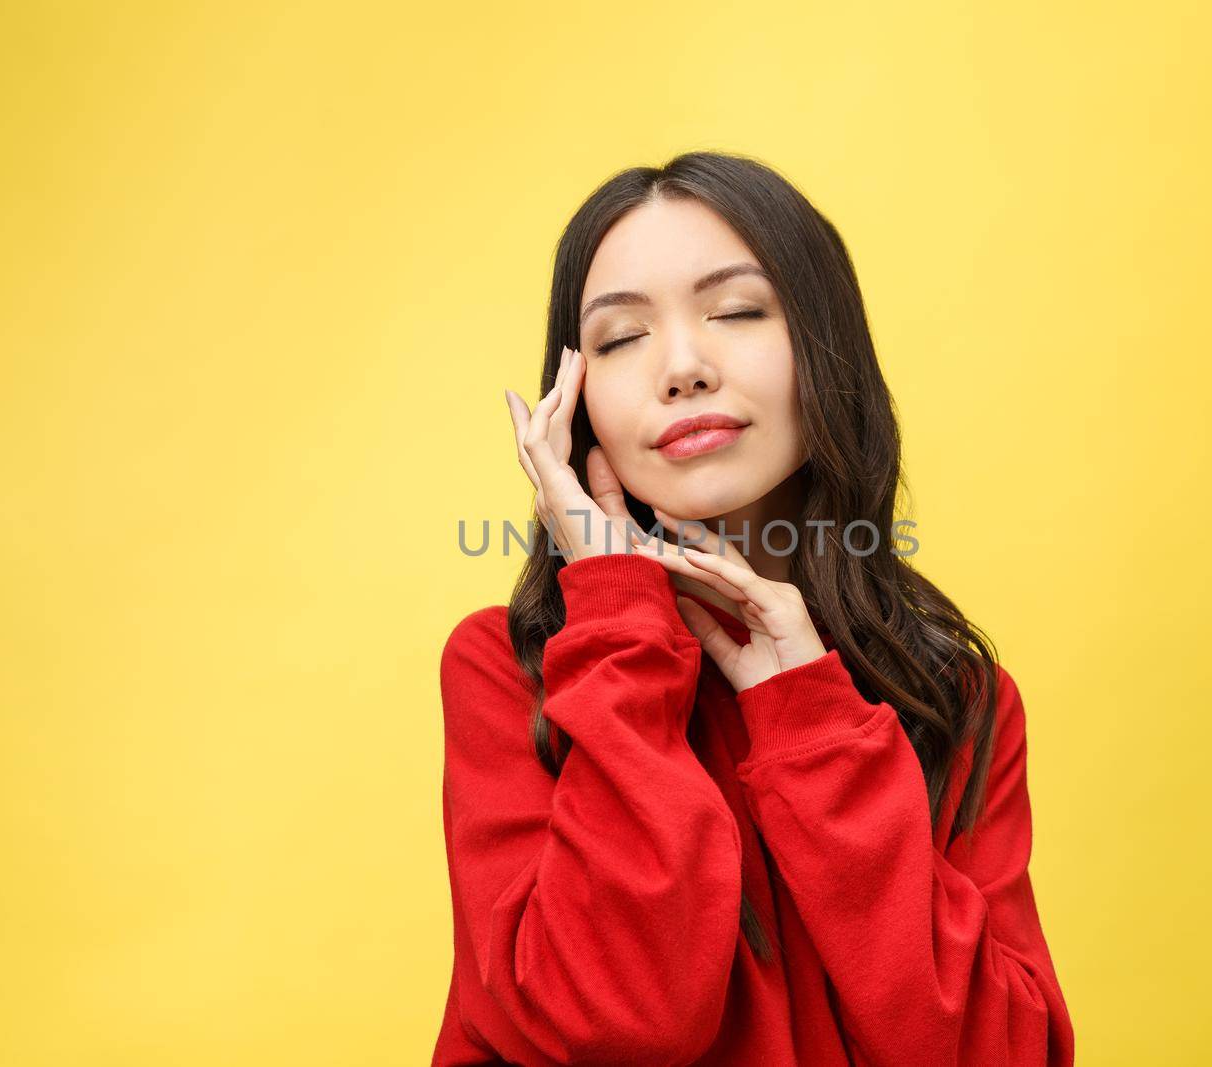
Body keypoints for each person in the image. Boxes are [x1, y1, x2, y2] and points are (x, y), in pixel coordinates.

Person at [432, 151, 1074, 1066]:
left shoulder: (953, 693)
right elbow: (615, 1027)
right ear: (573, 408)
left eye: (736, 312)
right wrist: (617, 624)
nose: (683, 367)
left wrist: (811, 723)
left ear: (826, 351)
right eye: (619, 339)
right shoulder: (507, 672)